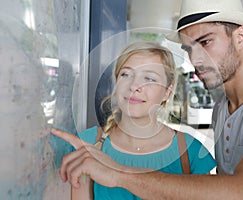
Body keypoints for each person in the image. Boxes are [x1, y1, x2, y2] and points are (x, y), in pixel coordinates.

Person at [52, 0, 243, 199]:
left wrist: (118, 173)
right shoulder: (222, 109)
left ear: (241, 37)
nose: (196, 59)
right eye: (189, 49)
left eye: (206, 42)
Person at [51, 41, 216, 199]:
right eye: (126, 74)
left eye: (149, 78)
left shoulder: (191, 151)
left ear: (167, 91)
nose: (134, 86)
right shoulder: (87, 144)